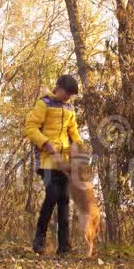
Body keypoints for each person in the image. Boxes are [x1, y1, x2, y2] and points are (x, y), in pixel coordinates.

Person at [24, 75, 83, 255]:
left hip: (64, 160)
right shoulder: (44, 103)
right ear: (58, 87)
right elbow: (30, 128)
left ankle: (64, 246)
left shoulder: (70, 108)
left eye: (71, 95)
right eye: (67, 92)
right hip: (46, 159)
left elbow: (73, 131)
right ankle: (39, 239)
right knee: (52, 194)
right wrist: (44, 142)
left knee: (64, 200)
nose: (68, 97)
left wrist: (78, 147)